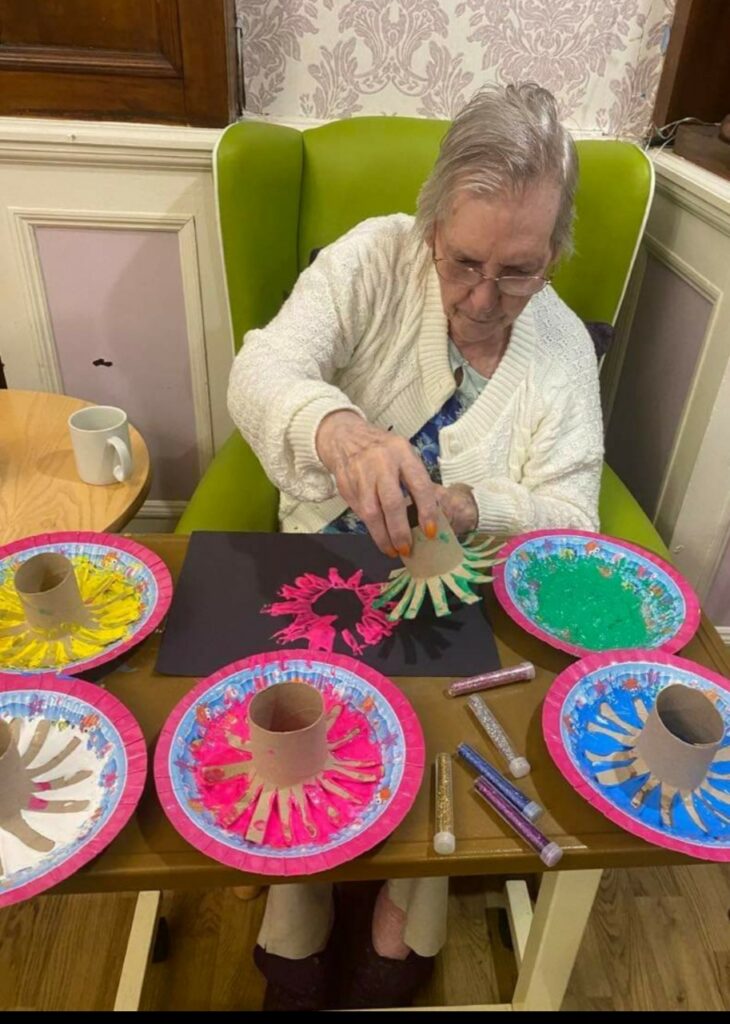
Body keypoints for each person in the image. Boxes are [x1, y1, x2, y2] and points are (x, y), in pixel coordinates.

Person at [227, 82, 603, 1010]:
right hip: (319, 562)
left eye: (519, 271)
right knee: (298, 726)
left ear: (555, 254)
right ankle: (304, 882)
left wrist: (474, 504)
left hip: (464, 599)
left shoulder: (561, 349)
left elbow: (576, 518)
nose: (482, 298)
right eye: (463, 261)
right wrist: (339, 431)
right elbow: (259, 367)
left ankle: (408, 891)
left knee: (438, 729)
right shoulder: (375, 256)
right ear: (432, 224)